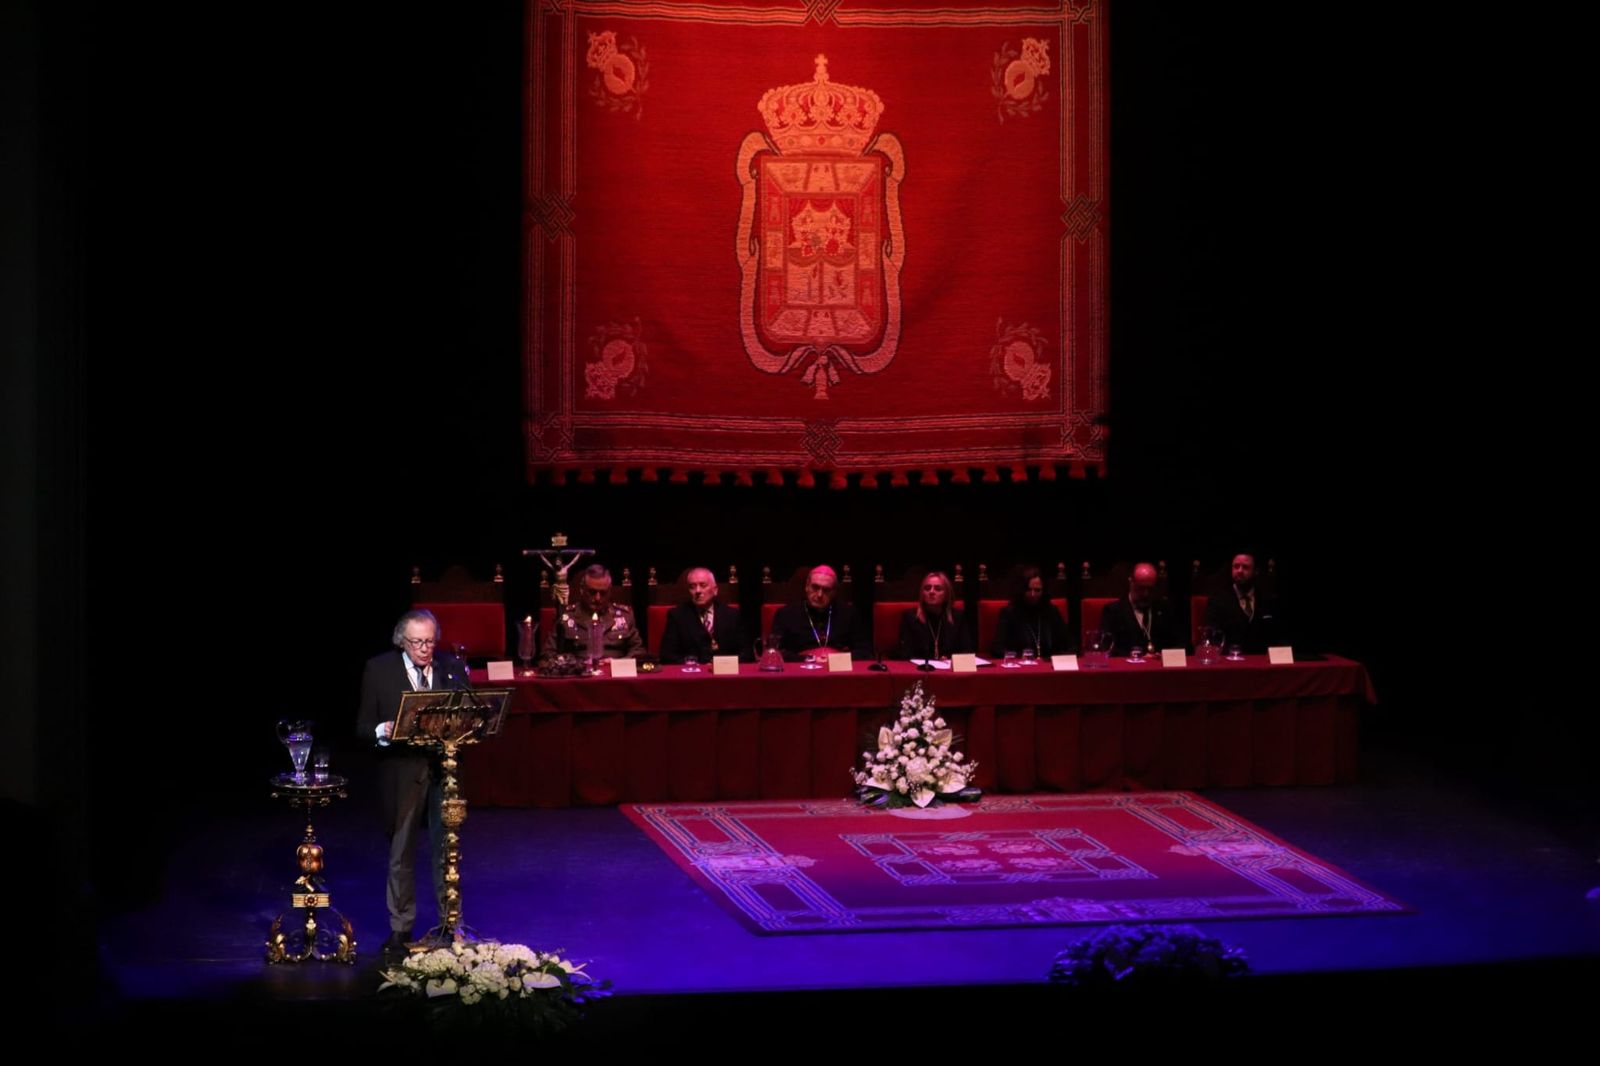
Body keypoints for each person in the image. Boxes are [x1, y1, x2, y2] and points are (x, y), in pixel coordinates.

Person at [355, 609, 471, 960]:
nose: (425, 649)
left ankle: (451, 924)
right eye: (417, 642)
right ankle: (401, 926)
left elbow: (470, 711)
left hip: (443, 772)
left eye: (430, 641)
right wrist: (383, 731)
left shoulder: (451, 666)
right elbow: (363, 727)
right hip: (402, 771)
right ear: (401, 641)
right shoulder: (379, 669)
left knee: (446, 850)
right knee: (401, 851)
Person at [769, 564, 872, 661]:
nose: (819, 594)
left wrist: (836, 658)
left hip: (838, 672)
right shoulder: (785, 615)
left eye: (826, 590)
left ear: (834, 592)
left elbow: (865, 652)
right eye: (815, 587)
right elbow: (774, 652)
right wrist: (808, 658)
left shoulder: (849, 614)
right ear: (807, 587)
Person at [543, 564, 644, 659]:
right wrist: (574, 665)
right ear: (582, 590)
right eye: (592, 592)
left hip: (615, 674)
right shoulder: (566, 617)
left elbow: (638, 652)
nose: (597, 598)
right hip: (580, 673)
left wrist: (619, 664)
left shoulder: (624, 616)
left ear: (610, 592)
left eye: (603, 593)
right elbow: (547, 654)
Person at [659, 567, 750, 663]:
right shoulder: (677, 616)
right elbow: (667, 655)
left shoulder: (733, 615)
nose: (697, 591)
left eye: (703, 585)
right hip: (693, 674)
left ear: (715, 590)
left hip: (726, 674)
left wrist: (723, 664)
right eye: (692, 586)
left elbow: (747, 654)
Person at [1099, 562, 1185, 656]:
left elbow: (1181, 643)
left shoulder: (1165, 609)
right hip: (1129, 667)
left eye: (1150, 589)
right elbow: (1107, 647)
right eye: (1141, 588)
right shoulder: (1113, 611)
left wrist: (1164, 655)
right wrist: (1137, 656)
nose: (1146, 594)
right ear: (1131, 582)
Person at [1204, 552, 1284, 653]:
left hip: (1261, 661)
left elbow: (1276, 636)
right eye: (1236, 566)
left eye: (1245, 567)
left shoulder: (1267, 599)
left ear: (1256, 571)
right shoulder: (1217, 600)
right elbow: (1212, 638)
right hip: (1229, 661)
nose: (1240, 571)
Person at [990, 564, 1071, 658]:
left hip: (1048, 666)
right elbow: (997, 649)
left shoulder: (1051, 612)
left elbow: (1071, 645)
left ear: (1043, 591)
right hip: (1021, 667)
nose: (1033, 595)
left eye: (1037, 590)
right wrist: (1022, 657)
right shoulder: (1009, 613)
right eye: (1029, 590)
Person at [895, 571, 973, 660]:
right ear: (922, 594)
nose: (931, 592)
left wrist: (950, 659)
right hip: (921, 670)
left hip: (949, 670)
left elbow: (967, 651)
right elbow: (905, 654)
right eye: (927, 588)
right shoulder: (910, 618)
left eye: (938, 589)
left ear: (947, 595)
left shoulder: (958, 617)